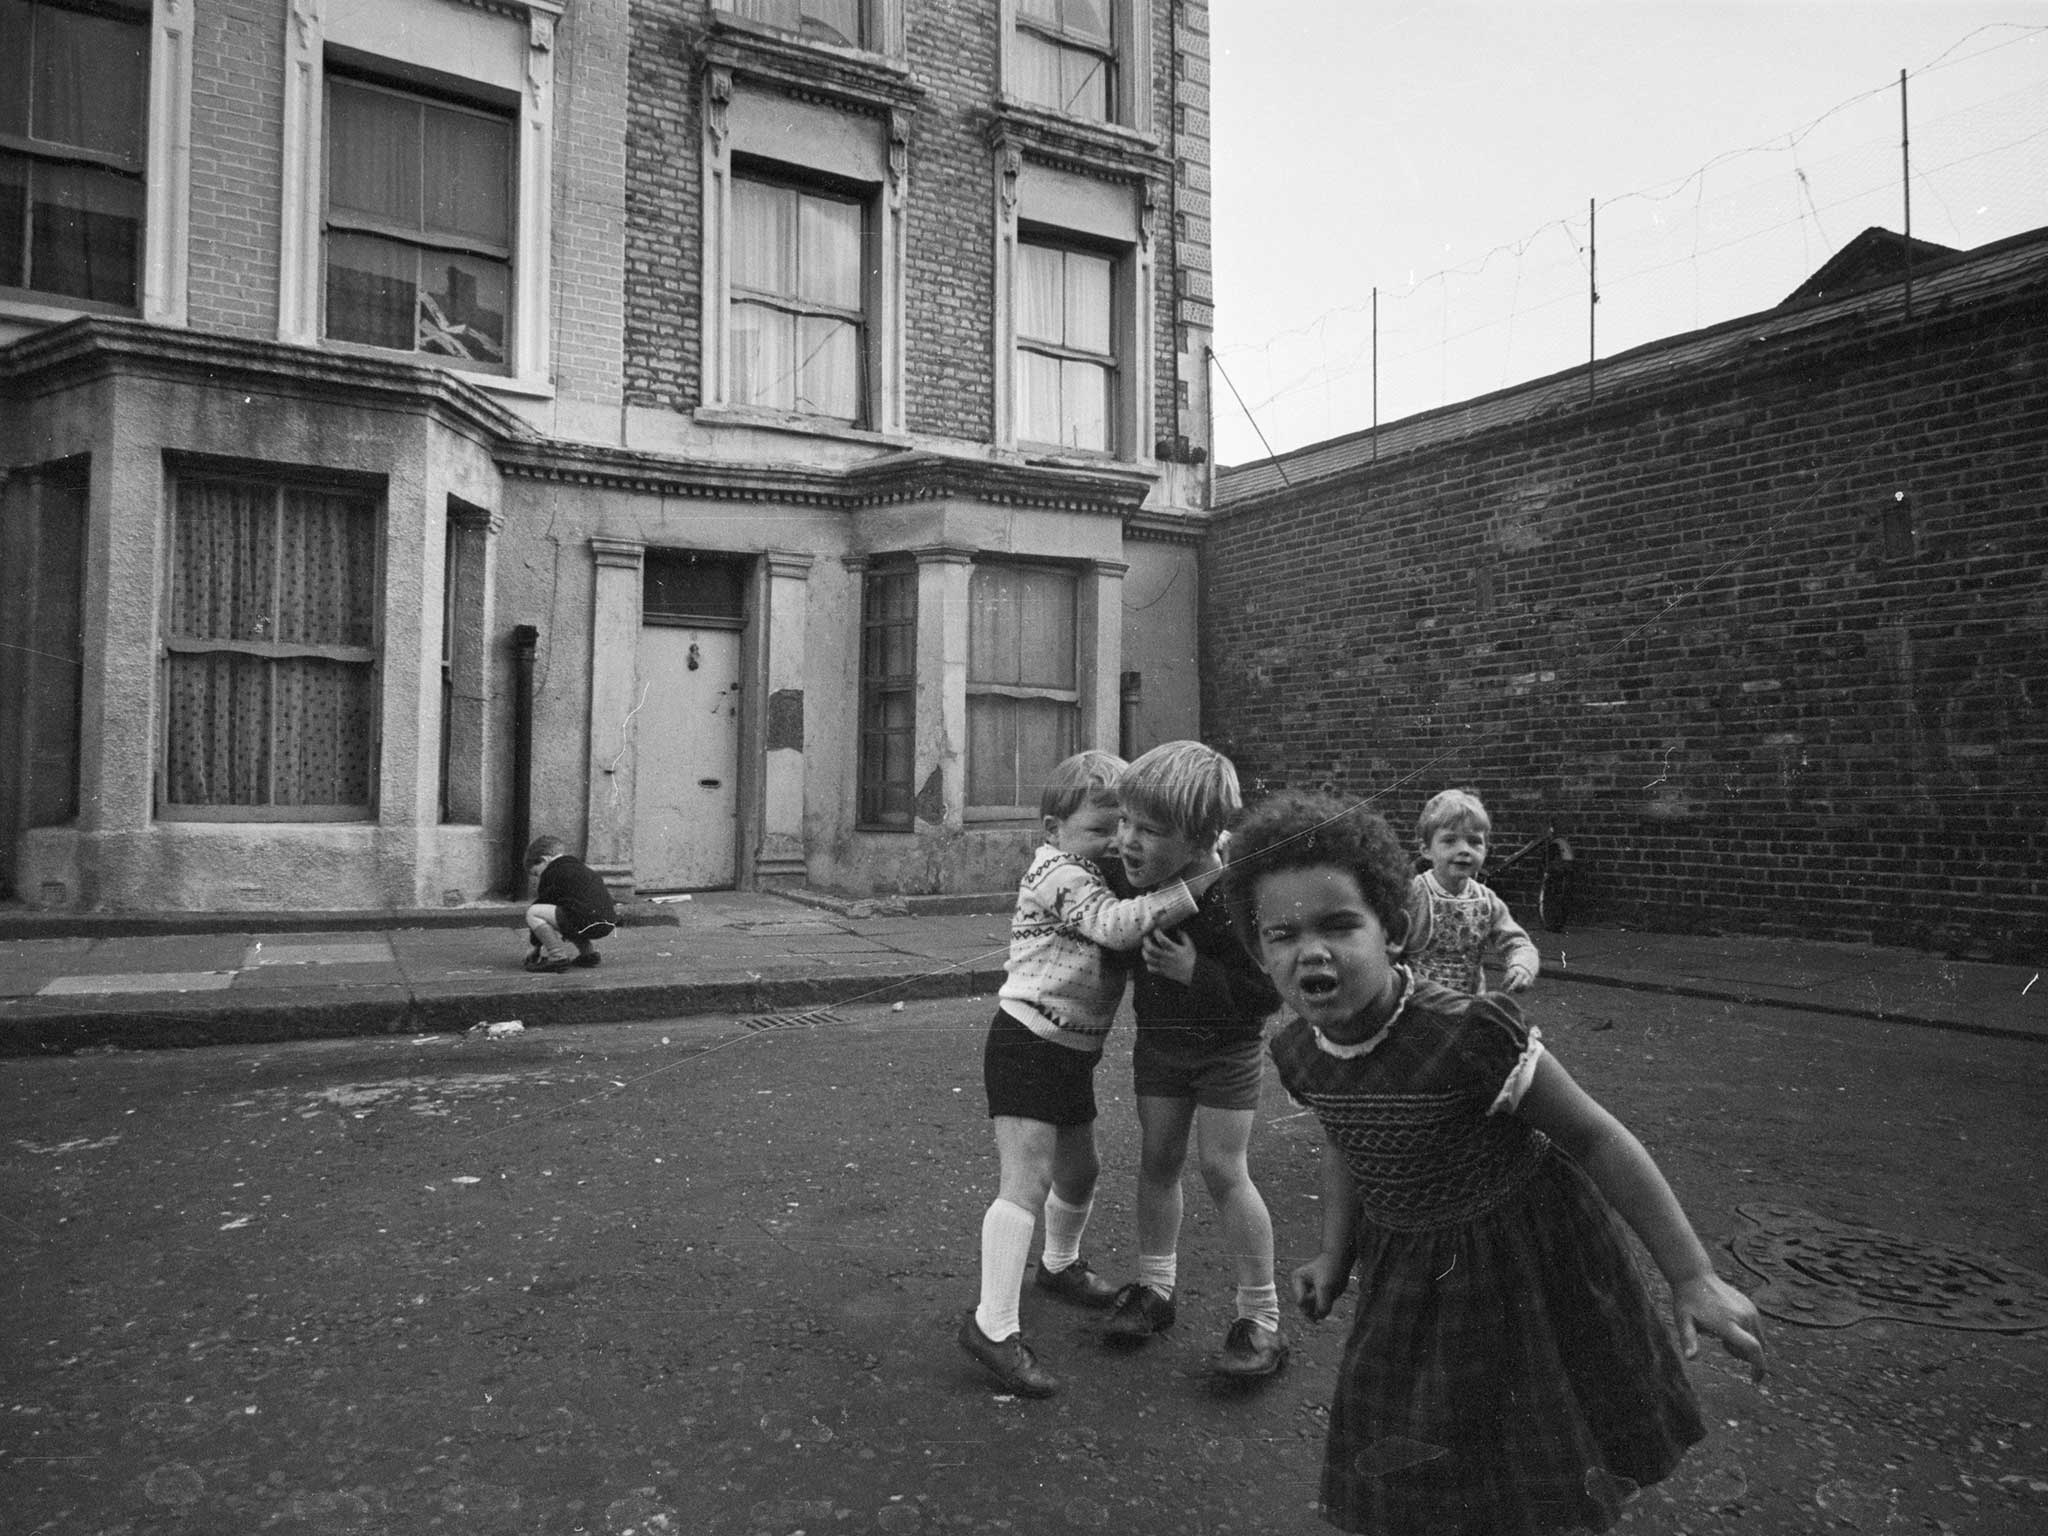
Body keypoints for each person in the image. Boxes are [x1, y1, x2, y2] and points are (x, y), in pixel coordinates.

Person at [1223, 790, 1766, 1536]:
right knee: (1415, 1431)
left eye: (1340, 924)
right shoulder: (1298, 1053)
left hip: (1524, 1262)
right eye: (1281, 934)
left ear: (1395, 929)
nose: (1310, 951)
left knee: (1537, 1436)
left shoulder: (1469, 1034)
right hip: (1408, 1272)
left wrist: (1692, 1274)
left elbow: (1595, 1137)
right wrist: (1334, 1254)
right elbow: (1345, 1140)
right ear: (1258, 952)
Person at [959, 750, 1212, 1398]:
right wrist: (1192, 886)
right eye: (1101, 831)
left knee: (1081, 1169)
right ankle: (993, 1326)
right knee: (1027, 1178)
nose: (1116, 843)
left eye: (1126, 828)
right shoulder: (1060, 875)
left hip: (1070, 1051)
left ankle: (1059, 1265)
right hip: (1027, 1040)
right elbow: (1116, 928)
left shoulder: (1094, 872)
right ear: (1053, 831)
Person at [1104, 741, 1289, 1380]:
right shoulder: (1135, 877)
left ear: (1203, 837)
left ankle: (1260, 1317)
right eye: (1124, 821)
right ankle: (1155, 1288)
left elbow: (1269, 993)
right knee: (1158, 1161)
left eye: (1149, 830)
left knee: (1222, 1169)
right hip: (1160, 1046)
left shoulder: (1237, 895)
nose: (1127, 840)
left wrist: (1196, 972)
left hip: (1225, 1053)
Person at [1404, 787, 1540, 994]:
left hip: (1468, 1005)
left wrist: (1522, 966)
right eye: (1450, 841)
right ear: (1426, 850)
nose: (1464, 850)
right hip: (1420, 1002)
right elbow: (1386, 944)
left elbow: (1518, 942)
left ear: (1486, 849)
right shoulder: (1415, 894)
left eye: (1474, 842)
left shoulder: (1486, 900)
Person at [524, 835, 618, 973]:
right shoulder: (581, 868)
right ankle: (588, 955)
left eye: (536, 873)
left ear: (544, 860)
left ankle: (557, 958)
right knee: (570, 911)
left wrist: (535, 946)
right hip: (607, 922)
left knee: (533, 912)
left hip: (585, 920)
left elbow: (542, 903)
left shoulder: (552, 873)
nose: (539, 877)